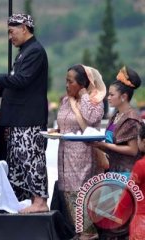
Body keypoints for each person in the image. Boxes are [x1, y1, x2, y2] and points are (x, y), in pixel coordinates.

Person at [0, 13, 49, 213]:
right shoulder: (24, 52)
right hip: (19, 118)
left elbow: (22, 80)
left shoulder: (34, 51)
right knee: (19, 162)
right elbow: (19, 85)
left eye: (12, 31)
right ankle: (28, 200)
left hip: (29, 119)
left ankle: (40, 201)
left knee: (32, 160)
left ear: (24, 28)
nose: (10, 37)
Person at [90, 66, 142, 239]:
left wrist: (104, 147)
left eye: (112, 94)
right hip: (113, 172)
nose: (108, 97)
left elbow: (133, 149)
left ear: (124, 97)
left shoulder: (132, 119)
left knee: (119, 222)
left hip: (126, 175)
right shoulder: (117, 116)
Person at [56, 64, 105, 239]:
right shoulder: (65, 101)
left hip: (82, 157)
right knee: (67, 193)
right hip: (64, 155)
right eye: (66, 81)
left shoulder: (94, 101)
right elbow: (62, 124)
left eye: (70, 82)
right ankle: (80, 231)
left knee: (80, 194)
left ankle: (89, 233)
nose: (67, 85)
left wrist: (84, 96)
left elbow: (91, 119)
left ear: (82, 84)